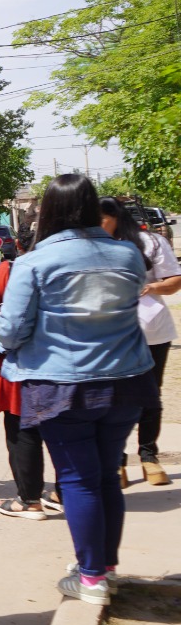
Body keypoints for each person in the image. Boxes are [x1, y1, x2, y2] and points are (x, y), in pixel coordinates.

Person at [0, 175, 156, 606]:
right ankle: (105, 567)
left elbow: (10, 329)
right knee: (105, 477)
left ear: (47, 211)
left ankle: (90, 579)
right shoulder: (128, 253)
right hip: (127, 380)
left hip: (61, 386)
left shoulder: (34, 262)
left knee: (78, 480)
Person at [99, 197, 180, 487]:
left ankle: (148, 456)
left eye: (102, 220)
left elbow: (174, 280)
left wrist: (153, 286)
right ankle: (117, 461)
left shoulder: (150, 242)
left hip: (152, 329)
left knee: (150, 394)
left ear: (116, 216)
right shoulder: (93, 245)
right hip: (111, 333)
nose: (97, 226)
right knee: (112, 396)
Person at [0, 251, 60, 520]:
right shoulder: (73, 262)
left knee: (22, 430)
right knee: (64, 432)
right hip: (64, 364)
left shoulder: (12, 269)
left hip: (16, 364)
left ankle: (29, 499)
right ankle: (64, 493)